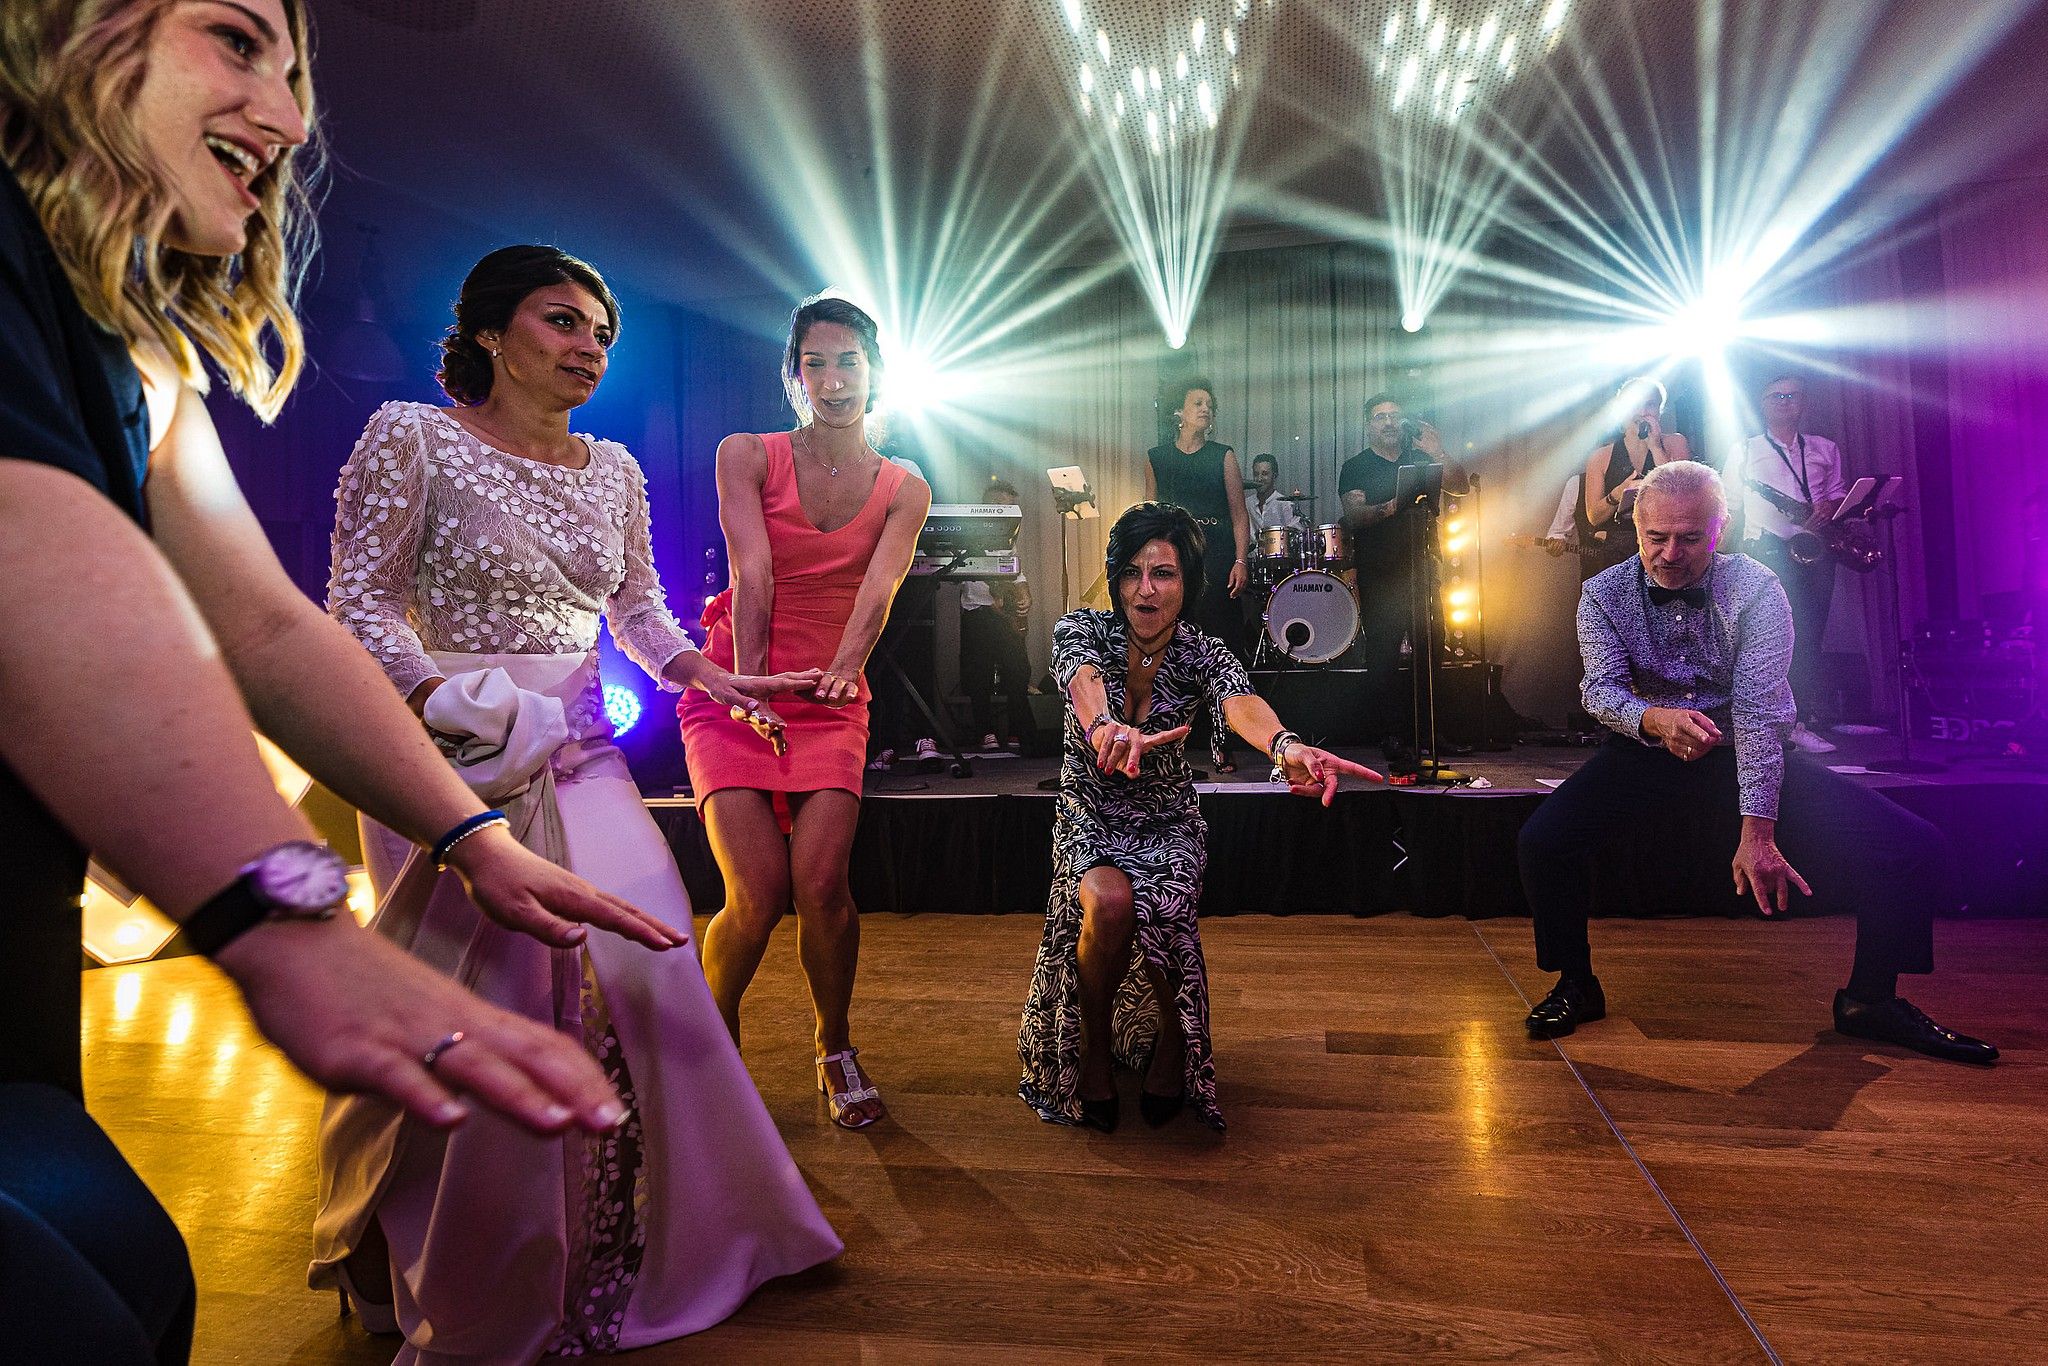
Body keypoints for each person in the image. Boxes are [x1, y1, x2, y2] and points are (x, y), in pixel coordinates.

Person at [0, 5, 671, 1360]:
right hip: (465, 726)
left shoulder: (131, 342)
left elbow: (259, 627)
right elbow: (33, 539)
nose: (294, 120)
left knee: (130, 1273)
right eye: (238, 42)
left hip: (21, 912)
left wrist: (471, 834)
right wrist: (288, 913)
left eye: (296, 73)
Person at [318, 247, 843, 1359]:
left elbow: (640, 611)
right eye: (561, 322)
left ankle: (650, 1240)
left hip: (581, 752)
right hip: (443, 754)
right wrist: (441, 693)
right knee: (474, 1009)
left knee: (649, 960)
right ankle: (414, 1250)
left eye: (602, 332)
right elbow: (356, 603)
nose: (587, 348)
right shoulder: (411, 438)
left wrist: (712, 676)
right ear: (492, 333)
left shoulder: (612, 469)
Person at [1516, 462, 1997, 1063]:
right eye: (1655, 537)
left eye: (1689, 538)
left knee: (1911, 846)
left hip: (1743, 750)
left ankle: (1869, 1000)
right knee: (1544, 841)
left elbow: (1759, 711)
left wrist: (1757, 830)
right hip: (1647, 748)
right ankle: (1575, 984)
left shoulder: (1759, 587)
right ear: (1636, 528)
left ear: (1720, 532)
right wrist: (1654, 720)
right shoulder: (1603, 591)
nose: (1669, 553)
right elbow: (1600, 689)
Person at [1018, 503, 1382, 1133]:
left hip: (1167, 818)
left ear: (1187, 582)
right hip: (1090, 810)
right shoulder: (1083, 631)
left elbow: (1240, 701)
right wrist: (1104, 726)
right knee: (1107, 905)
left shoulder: (1203, 650)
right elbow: (1080, 680)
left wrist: (1285, 746)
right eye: (1131, 573)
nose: (1145, 589)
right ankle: (1096, 1046)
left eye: (1163, 573)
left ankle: (1170, 1045)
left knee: (1168, 916)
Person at [681, 294, 931, 1129]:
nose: (832, 379)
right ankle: (713, 1042)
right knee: (753, 895)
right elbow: (753, 572)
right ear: (794, 376)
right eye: (815, 363)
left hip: (830, 694)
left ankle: (834, 1044)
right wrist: (750, 690)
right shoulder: (747, 454)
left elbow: (880, 588)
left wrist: (847, 669)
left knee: (821, 886)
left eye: (848, 360)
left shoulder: (905, 486)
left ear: (874, 371)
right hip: (735, 689)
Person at [1338, 394, 1469, 777]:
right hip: (1381, 570)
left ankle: (1430, 732)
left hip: (1423, 566)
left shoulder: (1423, 459)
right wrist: (1396, 504)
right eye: (1381, 417)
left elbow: (1461, 487)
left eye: (1395, 416)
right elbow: (1354, 515)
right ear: (1369, 425)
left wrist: (1439, 451)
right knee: (1384, 651)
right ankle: (1391, 734)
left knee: (1432, 644)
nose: (1390, 422)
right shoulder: (1356, 467)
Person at [1726, 373, 1846, 753]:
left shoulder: (1825, 448)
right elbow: (1728, 505)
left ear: (1803, 402)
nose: (1784, 402)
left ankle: (1801, 719)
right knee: (1773, 640)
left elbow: (1839, 492)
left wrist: (1829, 506)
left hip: (1814, 548)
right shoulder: (1744, 450)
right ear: (1763, 405)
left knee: (1811, 637)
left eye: (1792, 396)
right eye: (1775, 396)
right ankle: (1770, 722)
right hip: (1768, 551)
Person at [1145, 379, 1250, 768]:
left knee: (1221, 648)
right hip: (1174, 562)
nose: (1206, 409)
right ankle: (1171, 739)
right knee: (1173, 648)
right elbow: (1151, 517)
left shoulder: (1223, 455)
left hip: (1217, 556)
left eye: (1210, 404)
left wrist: (1241, 560)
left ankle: (1223, 741)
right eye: (1198, 403)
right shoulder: (1157, 457)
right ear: (1179, 413)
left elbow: (1239, 516)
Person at [1574, 375, 1693, 580]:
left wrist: (1656, 448)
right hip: (1617, 555)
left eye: (1650, 405)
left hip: (1666, 549)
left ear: (1659, 411)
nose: (1643, 412)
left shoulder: (1675, 444)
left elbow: (1681, 496)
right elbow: (1593, 516)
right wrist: (1618, 493)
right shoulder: (1601, 457)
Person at [959, 477, 1035, 750]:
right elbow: (972, 577)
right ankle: (985, 732)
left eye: (1012, 508)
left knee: (1018, 670)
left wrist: (1025, 596)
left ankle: (1016, 730)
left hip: (1005, 617)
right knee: (978, 674)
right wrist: (999, 604)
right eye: (1004, 507)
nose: (1009, 514)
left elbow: (1016, 572)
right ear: (989, 507)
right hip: (979, 612)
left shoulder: (1007, 540)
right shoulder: (968, 535)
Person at [1244, 453, 1302, 535]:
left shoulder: (1285, 504)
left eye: (1264, 474)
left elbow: (1295, 531)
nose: (1259, 479)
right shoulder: (1247, 504)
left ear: (1274, 476)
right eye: (1256, 474)